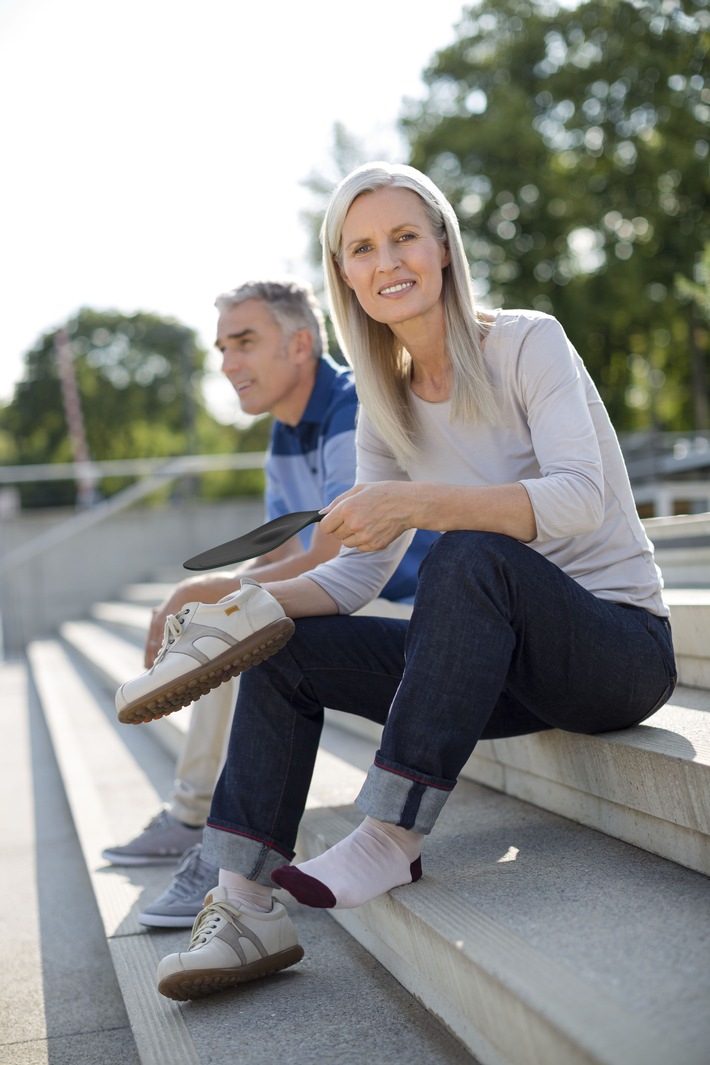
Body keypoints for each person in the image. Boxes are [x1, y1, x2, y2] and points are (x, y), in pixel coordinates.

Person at [117, 161, 676, 1001]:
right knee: (283, 642)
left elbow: (579, 496)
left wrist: (419, 501)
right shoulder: (385, 404)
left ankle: (391, 833)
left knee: (464, 552)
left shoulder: (528, 340)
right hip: (497, 672)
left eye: (405, 236)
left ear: (444, 246)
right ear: (345, 273)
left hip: (616, 651)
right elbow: (354, 576)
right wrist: (242, 604)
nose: (388, 262)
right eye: (363, 247)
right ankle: (241, 904)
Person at [104, 276, 438, 927]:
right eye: (223, 347)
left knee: (246, 625)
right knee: (232, 616)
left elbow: (341, 547)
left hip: (405, 607)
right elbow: (287, 553)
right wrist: (212, 595)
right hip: (349, 601)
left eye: (245, 342)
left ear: (301, 345)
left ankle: (205, 829)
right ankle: (192, 815)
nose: (228, 363)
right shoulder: (285, 430)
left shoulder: (351, 407)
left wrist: (207, 592)